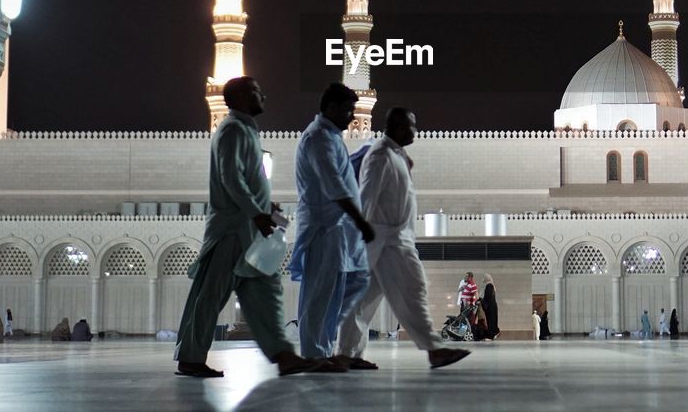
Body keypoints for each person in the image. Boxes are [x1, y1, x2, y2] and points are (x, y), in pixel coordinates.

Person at [173, 77, 327, 378]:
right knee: (211, 297)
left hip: (250, 232)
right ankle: (191, 357)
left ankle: (283, 355)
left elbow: (244, 181)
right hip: (232, 231)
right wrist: (257, 212)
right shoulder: (231, 130)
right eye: (256, 92)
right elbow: (231, 179)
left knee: (266, 294)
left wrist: (265, 207)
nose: (263, 96)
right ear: (241, 98)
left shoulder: (244, 131)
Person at [333, 107, 470, 369]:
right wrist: (362, 231)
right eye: (411, 126)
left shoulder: (394, 154)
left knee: (362, 299)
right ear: (397, 128)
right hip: (387, 240)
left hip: (391, 238)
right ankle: (433, 349)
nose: (415, 131)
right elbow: (367, 195)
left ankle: (346, 353)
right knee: (414, 287)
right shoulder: (381, 155)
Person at [290, 83, 376, 365]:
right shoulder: (318, 139)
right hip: (322, 228)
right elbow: (334, 186)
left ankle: (324, 351)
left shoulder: (331, 138)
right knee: (319, 294)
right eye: (348, 110)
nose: (352, 116)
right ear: (330, 107)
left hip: (337, 231)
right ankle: (314, 353)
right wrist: (361, 221)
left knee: (335, 294)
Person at [483, 274, 500, 340]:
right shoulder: (491, 285)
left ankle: (491, 336)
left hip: (490, 306)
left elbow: (487, 296)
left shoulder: (489, 285)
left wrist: (482, 301)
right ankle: (494, 333)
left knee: (490, 321)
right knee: (492, 320)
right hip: (492, 306)